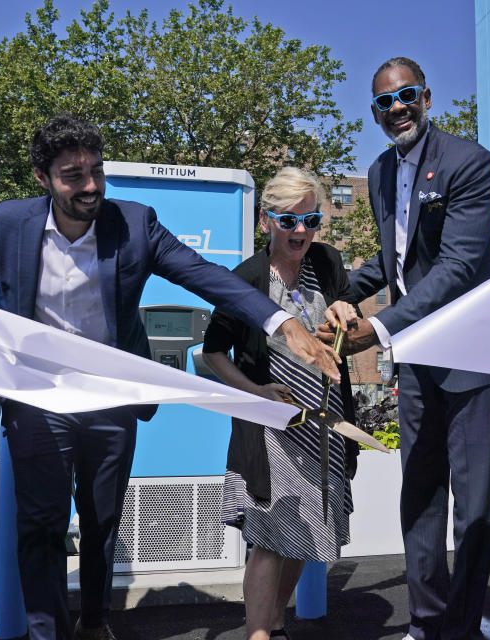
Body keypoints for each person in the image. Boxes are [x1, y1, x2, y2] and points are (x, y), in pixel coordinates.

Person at [0, 115, 339, 640]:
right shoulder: (9, 222)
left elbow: (207, 276)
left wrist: (282, 320)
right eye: (72, 175)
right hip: (37, 396)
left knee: (102, 520)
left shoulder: (134, 223)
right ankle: (47, 632)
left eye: (96, 171)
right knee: (39, 525)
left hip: (110, 396)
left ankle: (95, 621)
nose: (90, 186)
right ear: (42, 178)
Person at [320, 57, 490, 640]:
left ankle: (463, 627)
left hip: (473, 355)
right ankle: (426, 624)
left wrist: (377, 328)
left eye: (406, 96)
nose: (396, 107)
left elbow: (458, 265)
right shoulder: (378, 171)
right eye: (383, 102)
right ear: (374, 113)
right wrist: (340, 294)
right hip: (419, 358)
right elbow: (396, 262)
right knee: (420, 495)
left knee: (471, 506)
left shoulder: (469, 162)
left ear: (426, 96)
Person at [202, 167, 359, 640]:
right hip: (270, 424)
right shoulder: (246, 277)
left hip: (323, 424)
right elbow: (211, 352)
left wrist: (346, 313)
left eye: (311, 220)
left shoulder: (328, 263)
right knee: (269, 537)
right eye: (289, 221)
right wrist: (255, 393)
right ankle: (258, 634)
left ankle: (275, 621)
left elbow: (346, 323)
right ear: (265, 221)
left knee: (303, 535)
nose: (301, 232)